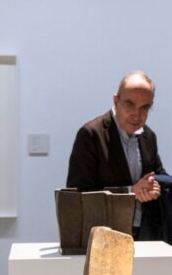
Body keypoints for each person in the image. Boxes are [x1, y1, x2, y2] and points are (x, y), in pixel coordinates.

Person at [66, 71, 166, 238]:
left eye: (145, 108)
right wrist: (130, 192)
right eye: (129, 104)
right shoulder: (91, 134)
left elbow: (158, 174)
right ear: (116, 100)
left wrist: (153, 186)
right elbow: (78, 196)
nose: (137, 114)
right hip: (103, 235)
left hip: (144, 232)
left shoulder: (149, 136)